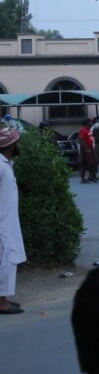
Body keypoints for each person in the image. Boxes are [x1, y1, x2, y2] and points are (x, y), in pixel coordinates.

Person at [0, 126, 25, 315]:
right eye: (17, 142)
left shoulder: (6, 163)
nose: (19, 145)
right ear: (9, 145)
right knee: (7, 259)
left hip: (8, 220)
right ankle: (1, 303)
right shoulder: (0, 165)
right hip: (2, 222)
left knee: (9, 259)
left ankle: (3, 298)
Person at [78, 118, 98, 183]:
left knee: (94, 161)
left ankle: (91, 176)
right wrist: (86, 148)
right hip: (85, 148)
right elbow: (82, 140)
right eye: (91, 122)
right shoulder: (82, 130)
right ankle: (83, 179)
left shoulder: (89, 129)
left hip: (91, 147)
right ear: (87, 122)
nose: (92, 123)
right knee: (83, 164)